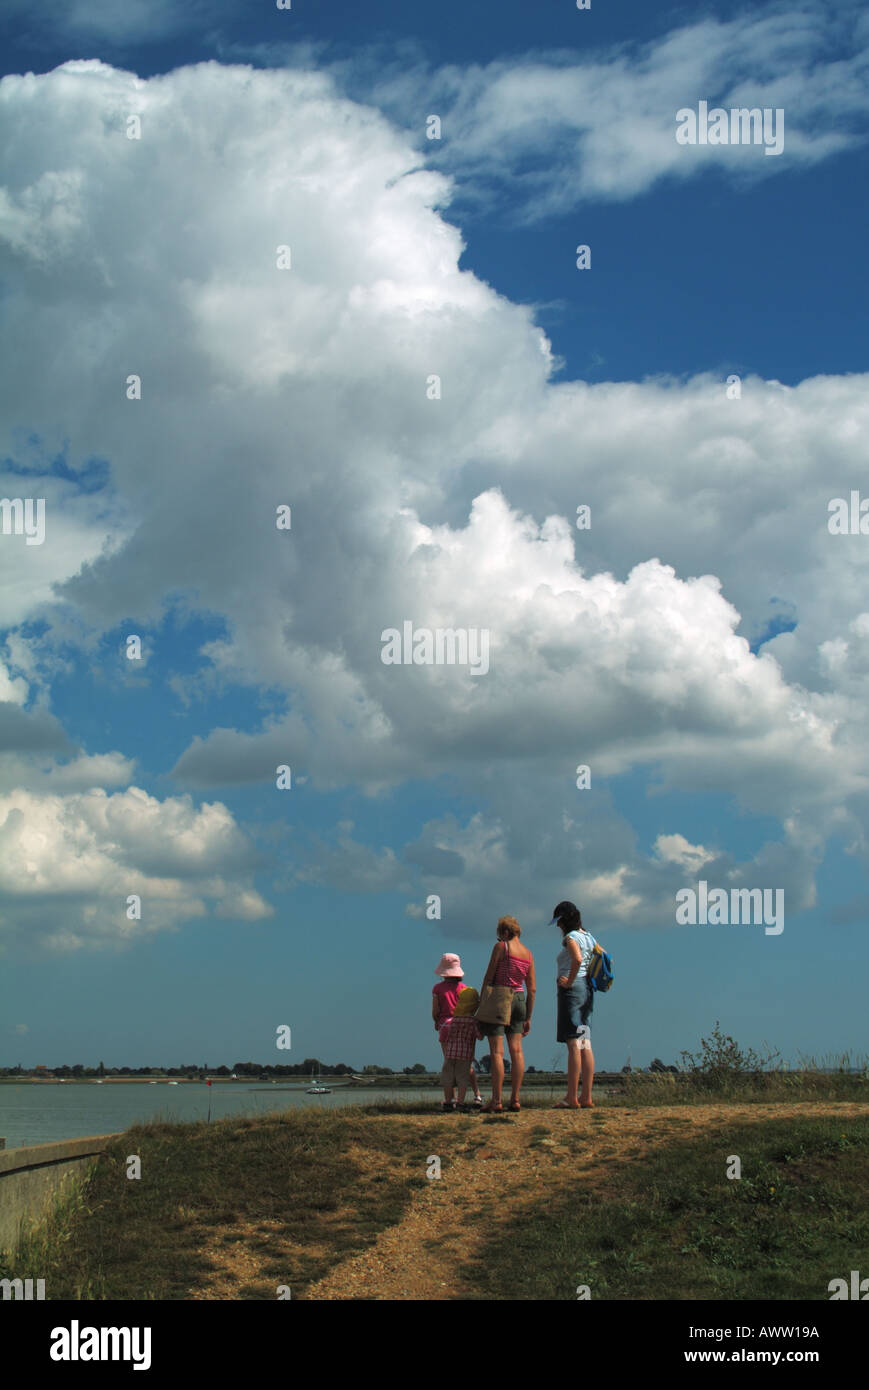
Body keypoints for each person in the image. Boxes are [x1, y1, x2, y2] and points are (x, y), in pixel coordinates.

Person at [477, 917, 536, 1112]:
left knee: (497, 1051)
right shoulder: (528, 953)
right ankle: (516, 1099)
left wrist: (482, 1002)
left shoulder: (502, 947)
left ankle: (496, 1100)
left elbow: (489, 975)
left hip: (501, 998)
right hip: (520, 999)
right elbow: (532, 988)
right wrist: (528, 1016)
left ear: (505, 933)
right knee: (517, 1051)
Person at [551, 900, 596, 1109]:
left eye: (559, 921)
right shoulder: (588, 936)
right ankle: (586, 1096)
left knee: (573, 1043)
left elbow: (576, 959)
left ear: (564, 920)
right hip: (587, 988)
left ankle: (572, 1097)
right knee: (585, 1042)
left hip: (572, 989)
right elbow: (602, 955)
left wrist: (568, 981)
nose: (558, 925)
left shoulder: (571, 938)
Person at [432, 953, 483, 1110]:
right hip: (464, 1026)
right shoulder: (464, 989)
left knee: (450, 1063)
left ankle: (451, 1099)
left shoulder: (438, 988)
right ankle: (477, 1094)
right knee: (466, 1063)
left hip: (446, 1027)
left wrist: (436, 1022)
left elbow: (436, 1010)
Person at [440, 987, 483, 1110]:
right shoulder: (473, 1021)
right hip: (464, 1055)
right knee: (462, 1079)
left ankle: (448, 1102)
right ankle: (460, 1102)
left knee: (448, 1078)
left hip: (450, 1053)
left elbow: (449, 1035)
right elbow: (479, 1036)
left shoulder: (454, 1020)